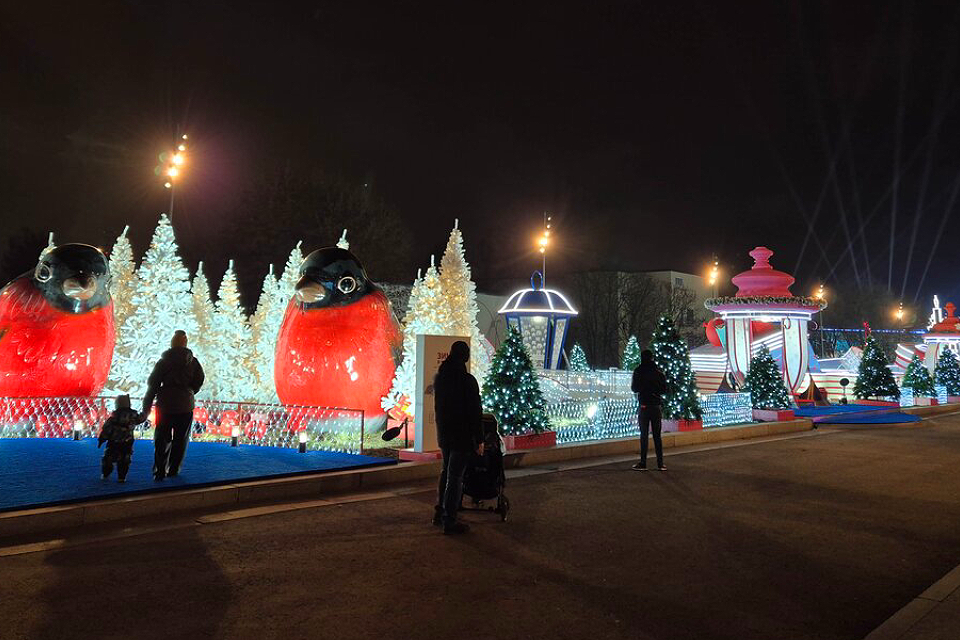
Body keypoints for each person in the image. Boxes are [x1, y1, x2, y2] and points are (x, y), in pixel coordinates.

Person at [432, 340, 484, 535]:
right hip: (461, 435)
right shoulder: (467, 380)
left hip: (444, 433)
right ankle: (450, 520)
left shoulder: (441, 378)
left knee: (446, 471)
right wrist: (479, 438)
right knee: (455, 477)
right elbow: (475, 412)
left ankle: (440, 512)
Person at [142, 330, 205, 481]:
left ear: (172, 342)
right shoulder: (193, 362)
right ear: (185, 343)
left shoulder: (164, 362)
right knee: (180, 440)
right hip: (185, 405)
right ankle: (174, 469)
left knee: (162, 438)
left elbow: (153, 383)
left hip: (165, 404)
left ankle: (160, 469)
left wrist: (147, 405)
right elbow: (199, 380)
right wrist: (189, 391)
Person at [631, 349, 667, 471]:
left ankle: (643, 463)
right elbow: (664, 389)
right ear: (652, 358)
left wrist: (644, 388)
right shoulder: (659, 372)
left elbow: (634, 388)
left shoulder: (638, 371)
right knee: (657, 435)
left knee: (644, 435)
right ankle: (660, 463)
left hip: (644, 406)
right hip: (656, 406)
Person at [97, 394, 141, 482]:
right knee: (125, 460)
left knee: (108, 458)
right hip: (127, 442)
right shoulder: (134, 416)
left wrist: (102, 439)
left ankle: (106, 473)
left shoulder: (114, 417)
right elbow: (140, 419)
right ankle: (122, 477)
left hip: (114, 441)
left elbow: (107, 429)